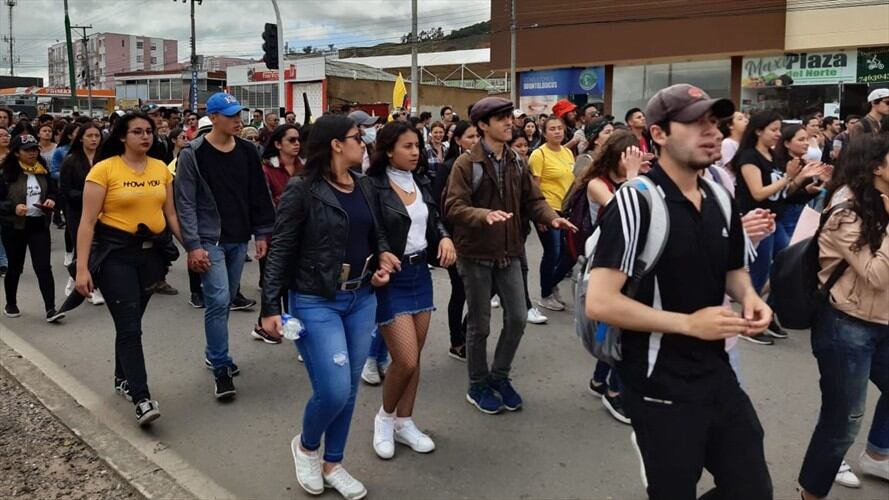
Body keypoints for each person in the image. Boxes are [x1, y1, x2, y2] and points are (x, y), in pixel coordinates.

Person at [585, 84, 773, 500]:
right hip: (658, 382)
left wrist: (750, 297)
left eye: (714, 122)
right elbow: (601, 301)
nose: (711, 132)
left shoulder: (721, 197)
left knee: (752, 489)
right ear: (659, 135)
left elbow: (733, 268)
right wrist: (687, 323)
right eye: (694, 123)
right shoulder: (636, 203)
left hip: (718, 374)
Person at [259, 114, 397, 500]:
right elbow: (281, 248)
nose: (364, 142)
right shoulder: (302, 190)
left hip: (361, 297)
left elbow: (378, 234)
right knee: (334, 390)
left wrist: (383, 257)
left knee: (350, 388)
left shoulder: (366, 186)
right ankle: (305, 446)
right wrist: (270, 306)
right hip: (315, 299)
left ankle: (333, 462)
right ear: (337, 144)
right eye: (357, 137)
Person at [444, 96, 576, 414]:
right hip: (476, 254)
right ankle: (477, 385)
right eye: (500, 117)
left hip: (511, 251)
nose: (508, 122)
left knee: (517, 318)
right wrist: (482, 215)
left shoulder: (518, 160)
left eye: (509, 116)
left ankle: (499, 376)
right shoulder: (467, 164)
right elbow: (453, 206)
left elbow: (534, 199)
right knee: (480, 325)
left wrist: (550, 217)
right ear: (482, 125)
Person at [73, 112, 183, 426]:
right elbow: (87, 222)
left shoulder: (161, 169)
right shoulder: (103, 170)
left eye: (149, 131)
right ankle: (142, 398)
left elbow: (171, 214)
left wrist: (194, 248)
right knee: (130, 327)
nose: (145, 137)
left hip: (151, 259)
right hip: (115, 257)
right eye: (137, 132)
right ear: (122, 136)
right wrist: (82, 269)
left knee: (131, 322)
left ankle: (122, 378)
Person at [798, 133, 889, 499]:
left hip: (882, 322)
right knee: (843, 422)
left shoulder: (881, 203)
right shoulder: (845, 212)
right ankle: (811, 494)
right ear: (876, 168)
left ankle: (878, 453)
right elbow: (876, 275)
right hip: (847, 326)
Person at [174, 92, 276, 400]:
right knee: (218, 300)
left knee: (229, 296)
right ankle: (220, 365)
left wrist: (261, 234)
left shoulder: (247, 150)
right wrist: (192, 245)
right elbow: (186, 201)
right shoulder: (193, 154)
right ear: (213, 118)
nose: (237, 120)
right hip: (209, 238)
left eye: (239, 114)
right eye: (230, 115)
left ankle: (212, 352)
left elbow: (259, 193)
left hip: (239, 236)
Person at [367, 121, 455, 459]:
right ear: (389, 149)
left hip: (421, 274)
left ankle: (405, 421)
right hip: (392, 276)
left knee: (414, 360)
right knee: (404, 359)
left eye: (416, 145)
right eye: (407, 146)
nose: (415, 151)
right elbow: (372, 230)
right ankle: (384, 418)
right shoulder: (372, 185)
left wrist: (445, 236)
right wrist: (379, 257)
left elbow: (434, 219)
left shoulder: (421, 180)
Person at [734, 111, 826, 344]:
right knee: (759, 272)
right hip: (758, 221)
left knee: (787, 267)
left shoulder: (772, 156)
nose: (777, 134)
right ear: (758, 131)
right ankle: (749, 324)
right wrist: (788, 178)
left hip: (774, 220)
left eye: (778, 130)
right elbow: (758, 192)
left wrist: (800, 183)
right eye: (773, 130)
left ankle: (766, 312)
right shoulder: (749, 157)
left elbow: (782, 193)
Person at [574, 129, 644, 423]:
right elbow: (624, 209)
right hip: (604, 263)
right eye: (628, 157)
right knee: (619, 327)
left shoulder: (631, 181)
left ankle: (600, 380)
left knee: (616, 328)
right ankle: (614, 392)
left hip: (628, 261)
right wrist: (634, 177)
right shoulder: (596, 184)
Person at [0, 134, 65, 322]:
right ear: (16, 152)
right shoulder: (6, 173)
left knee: (44, 267)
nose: (32, 153)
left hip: (38, 225)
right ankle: (11, 303)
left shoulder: (41, 170)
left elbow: (54, 190)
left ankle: (50, 309)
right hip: (14, 226)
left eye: (35, 149)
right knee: (15, 267)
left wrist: (51, 199)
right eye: (27, 150)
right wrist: (13, 207)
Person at [248, 124, 303, 344]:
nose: (297, 143)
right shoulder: (266, 170)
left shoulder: (305, 168)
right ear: (278, 144)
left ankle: (290, 332)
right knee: (276, 284)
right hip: (274, 235)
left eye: (298, 139)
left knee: (295, 285)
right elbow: (263, 204)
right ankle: (267, 326)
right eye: (291, 140)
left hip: (303, 235)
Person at [433, 121, 479, 360]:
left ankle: (466, 333)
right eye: (470, 136)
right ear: (458, 140)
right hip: (455, 240)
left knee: (484, 291)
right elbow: (437, 208)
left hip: (479, 239)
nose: (475, 140)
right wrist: (446, 237)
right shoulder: (448, 167)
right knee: (460, 290)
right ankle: (457, 341)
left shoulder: (483, 166)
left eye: (477, 136)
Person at [528, 116, 575, 312]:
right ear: (544, 133)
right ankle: (545, 294)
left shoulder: (568, 152)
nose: (557, 132)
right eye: (552, 129)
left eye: (559, 128)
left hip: (566, 209)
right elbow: (534, 188)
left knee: (570, 252)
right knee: (553, 251)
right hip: (548, 210)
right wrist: (540, 215)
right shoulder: (539, 155)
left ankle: (552, 283)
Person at [59, 122, 104, 304]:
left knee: (99, 248)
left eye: (97, 136)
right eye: (89, 136)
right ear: (81, 138)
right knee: (83, 247)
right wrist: (90, 195)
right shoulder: (71, 160)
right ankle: (81, 280)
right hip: (77, 211)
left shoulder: (105, 159)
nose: (94, 139)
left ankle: (94, 284)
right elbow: (66, 190)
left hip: (103, 211)